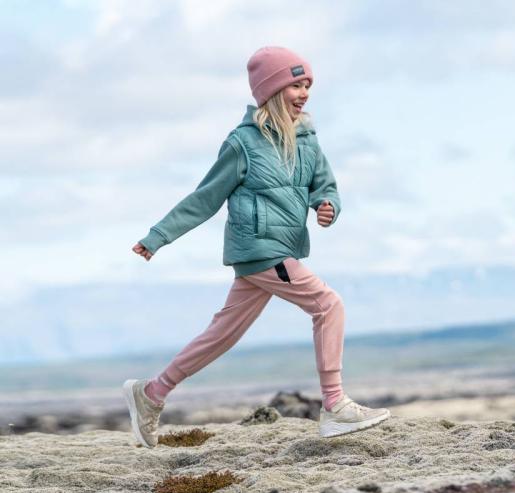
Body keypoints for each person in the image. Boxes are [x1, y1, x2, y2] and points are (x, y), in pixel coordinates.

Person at [122, 46, 390, 448]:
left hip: (284, 248)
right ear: (270, 90)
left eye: (307, 85)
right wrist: (157, 236)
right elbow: (205, 197)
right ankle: (334, 404)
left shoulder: (309, 140)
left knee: (221, 335)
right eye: (295, 85)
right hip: (260, 248)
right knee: (328, 305)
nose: (303, 93)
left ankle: (153, 393)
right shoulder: (242, 144)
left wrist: (327, 205)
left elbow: (325, 186)